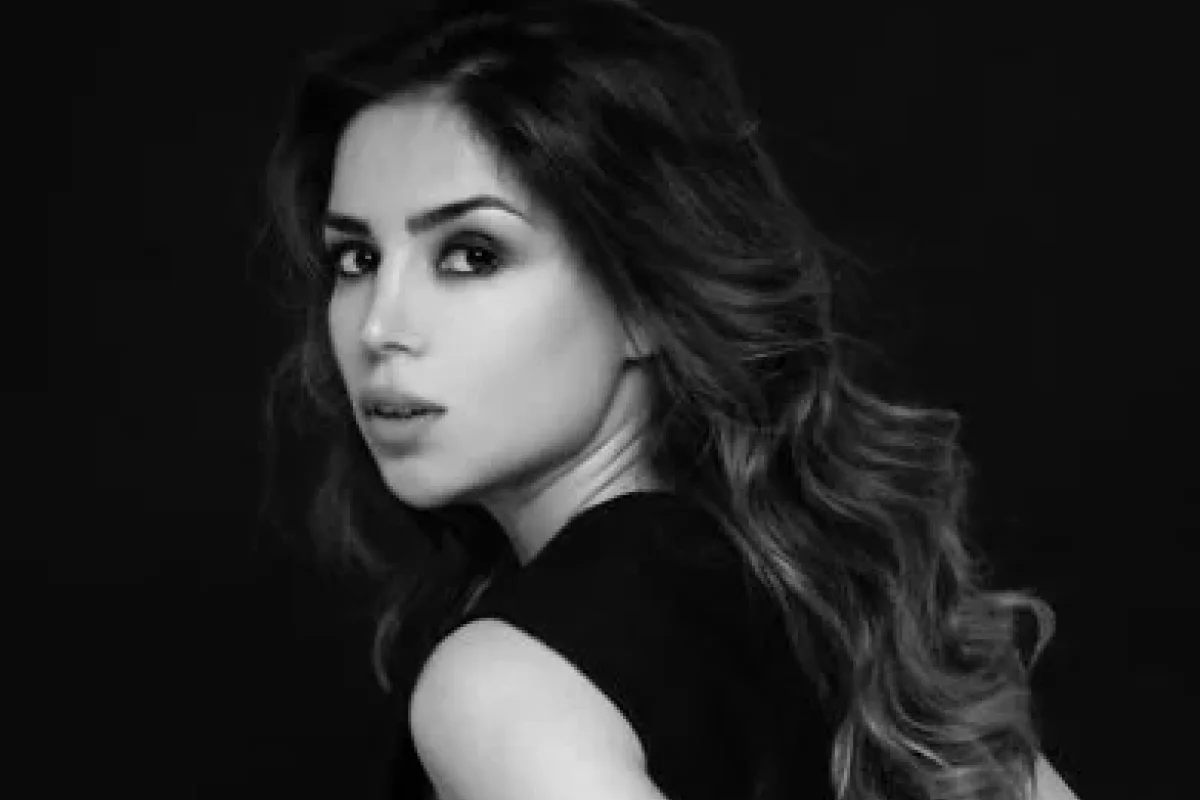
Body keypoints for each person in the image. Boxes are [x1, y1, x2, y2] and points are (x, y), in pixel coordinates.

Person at [257, 1, 1080, 798]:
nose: (379, 326)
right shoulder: (828, 593)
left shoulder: (507, 687)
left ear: (645, 298)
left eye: (472, 254)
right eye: (357, 259)